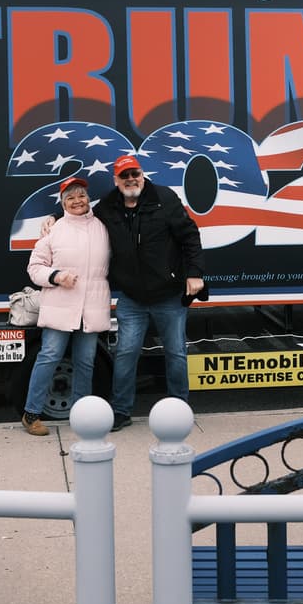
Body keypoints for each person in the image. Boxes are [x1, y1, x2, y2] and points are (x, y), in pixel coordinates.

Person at [96, 155, 204, 432]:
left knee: (176, 353)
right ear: (116, 180)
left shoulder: (164, 198)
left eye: (135, 174)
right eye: (125, 175)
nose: (131, 179)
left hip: (169, 295)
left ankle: (179, 409)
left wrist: (194, 273)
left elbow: (190, 236)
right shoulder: (108, 205)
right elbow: (82, 218)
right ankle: (121, 411)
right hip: (132, 297)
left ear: (142, 175)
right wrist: (54, 218)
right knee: (125, 353)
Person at [19, 177, 111, 436]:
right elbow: (34, 268)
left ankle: (82, 416)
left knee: (86, 362)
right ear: (62, 203)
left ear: (88, 198)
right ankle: (31, 414)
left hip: (92, 308)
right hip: (60, 306)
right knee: (49, 357)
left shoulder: (103, 227)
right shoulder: (54, 230)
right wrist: (57, 276)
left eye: (81, 195)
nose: (77, 201)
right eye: (70, 198)